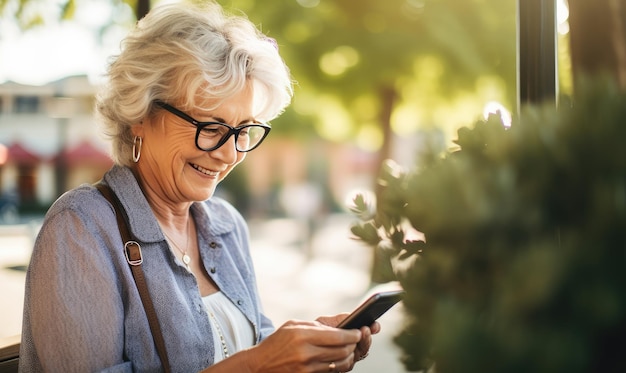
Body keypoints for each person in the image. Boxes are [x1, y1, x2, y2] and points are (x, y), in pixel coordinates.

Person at [19, 1, 380, 372]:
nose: (228, 154)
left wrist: (304, 350)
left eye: (243, 130)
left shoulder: (226, 225)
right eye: (210, 127)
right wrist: (259, 366)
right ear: (141, 114)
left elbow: (250, 344)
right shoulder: (82, 228)